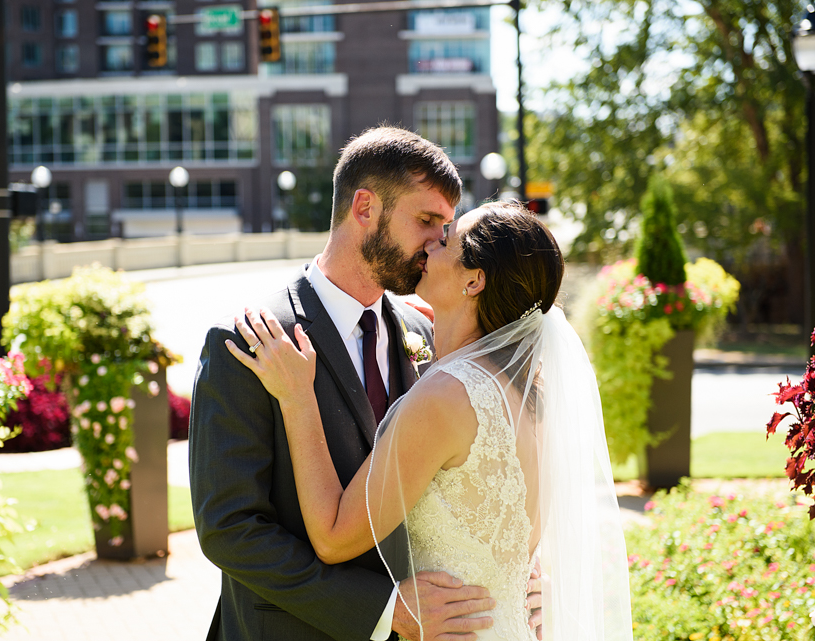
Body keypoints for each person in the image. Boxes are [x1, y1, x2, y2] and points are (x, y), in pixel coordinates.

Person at [228, 202, 634, 640]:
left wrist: (298, 398)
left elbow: (332, 537)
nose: (428, 247)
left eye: (445, 241)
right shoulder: (530, 396)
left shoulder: (446, 395)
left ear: (474, 280)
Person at [189, 126, 505, 641]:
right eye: (426, 220)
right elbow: (230, 529)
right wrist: (384, 610)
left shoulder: (429, 333)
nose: (437, 243)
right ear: (364, 208)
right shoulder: (248, 340)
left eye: (445, 226)